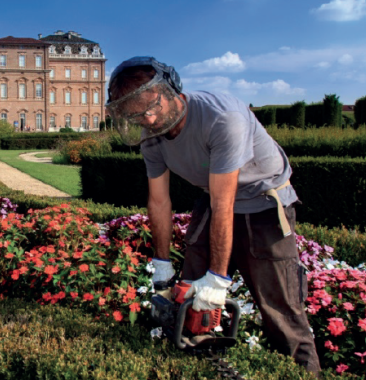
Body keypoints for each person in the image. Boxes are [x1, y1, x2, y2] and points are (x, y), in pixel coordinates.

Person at [106, 57, 321, 376]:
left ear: (171, 90)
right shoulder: (152, 136)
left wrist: (217, 282)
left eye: (151, 107)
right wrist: (163, 269)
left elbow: (225, 204)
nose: (147, 119)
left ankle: (304, 372)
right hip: (214, 195)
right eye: (135, 115)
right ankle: (200, 365)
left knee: (280, 310)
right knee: (190, 295)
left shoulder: (222, 118)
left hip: (262, 200)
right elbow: (159, 201)